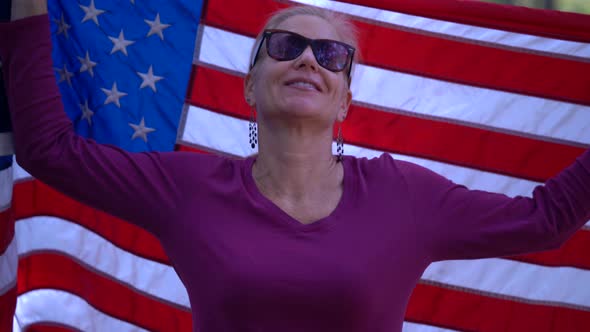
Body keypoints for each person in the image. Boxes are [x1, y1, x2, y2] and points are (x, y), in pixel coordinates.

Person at [2, 1, 589, 331]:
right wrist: (29, 9)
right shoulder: (189, 190)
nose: (308, 58)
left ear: (344, 98)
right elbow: (49, 150)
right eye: (284, 47)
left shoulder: (402, 196)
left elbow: (546, 220)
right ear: (251, 86)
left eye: (330, 55)